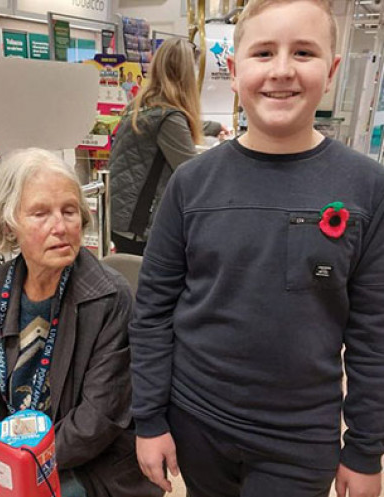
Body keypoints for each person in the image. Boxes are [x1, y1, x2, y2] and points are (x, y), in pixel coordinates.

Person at [130, 2, 384, 497]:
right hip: (195, 420)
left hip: (300, 436)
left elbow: (373, 332)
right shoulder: (192, 184)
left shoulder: (366, 187)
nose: (282, 70)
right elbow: (153, 311)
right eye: (264, 52)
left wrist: (365, 448)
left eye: (304, 52)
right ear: (234, 68)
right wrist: (148, 420)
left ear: (331, 71)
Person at [0, 148, 161, 497]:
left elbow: (98, 419)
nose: (60, 226)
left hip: (94, 464)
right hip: (15, 456)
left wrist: (27, 470)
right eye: (40, 213)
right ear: (11, 225)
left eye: (69, 211)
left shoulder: (110, 298)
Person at [108, 37, 225, 256]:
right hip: (140, 225)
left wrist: (215, 127)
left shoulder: (143, 104)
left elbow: (182, 125)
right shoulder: (167, 117)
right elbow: (194, 174)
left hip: (121, 217)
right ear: (187, 75)